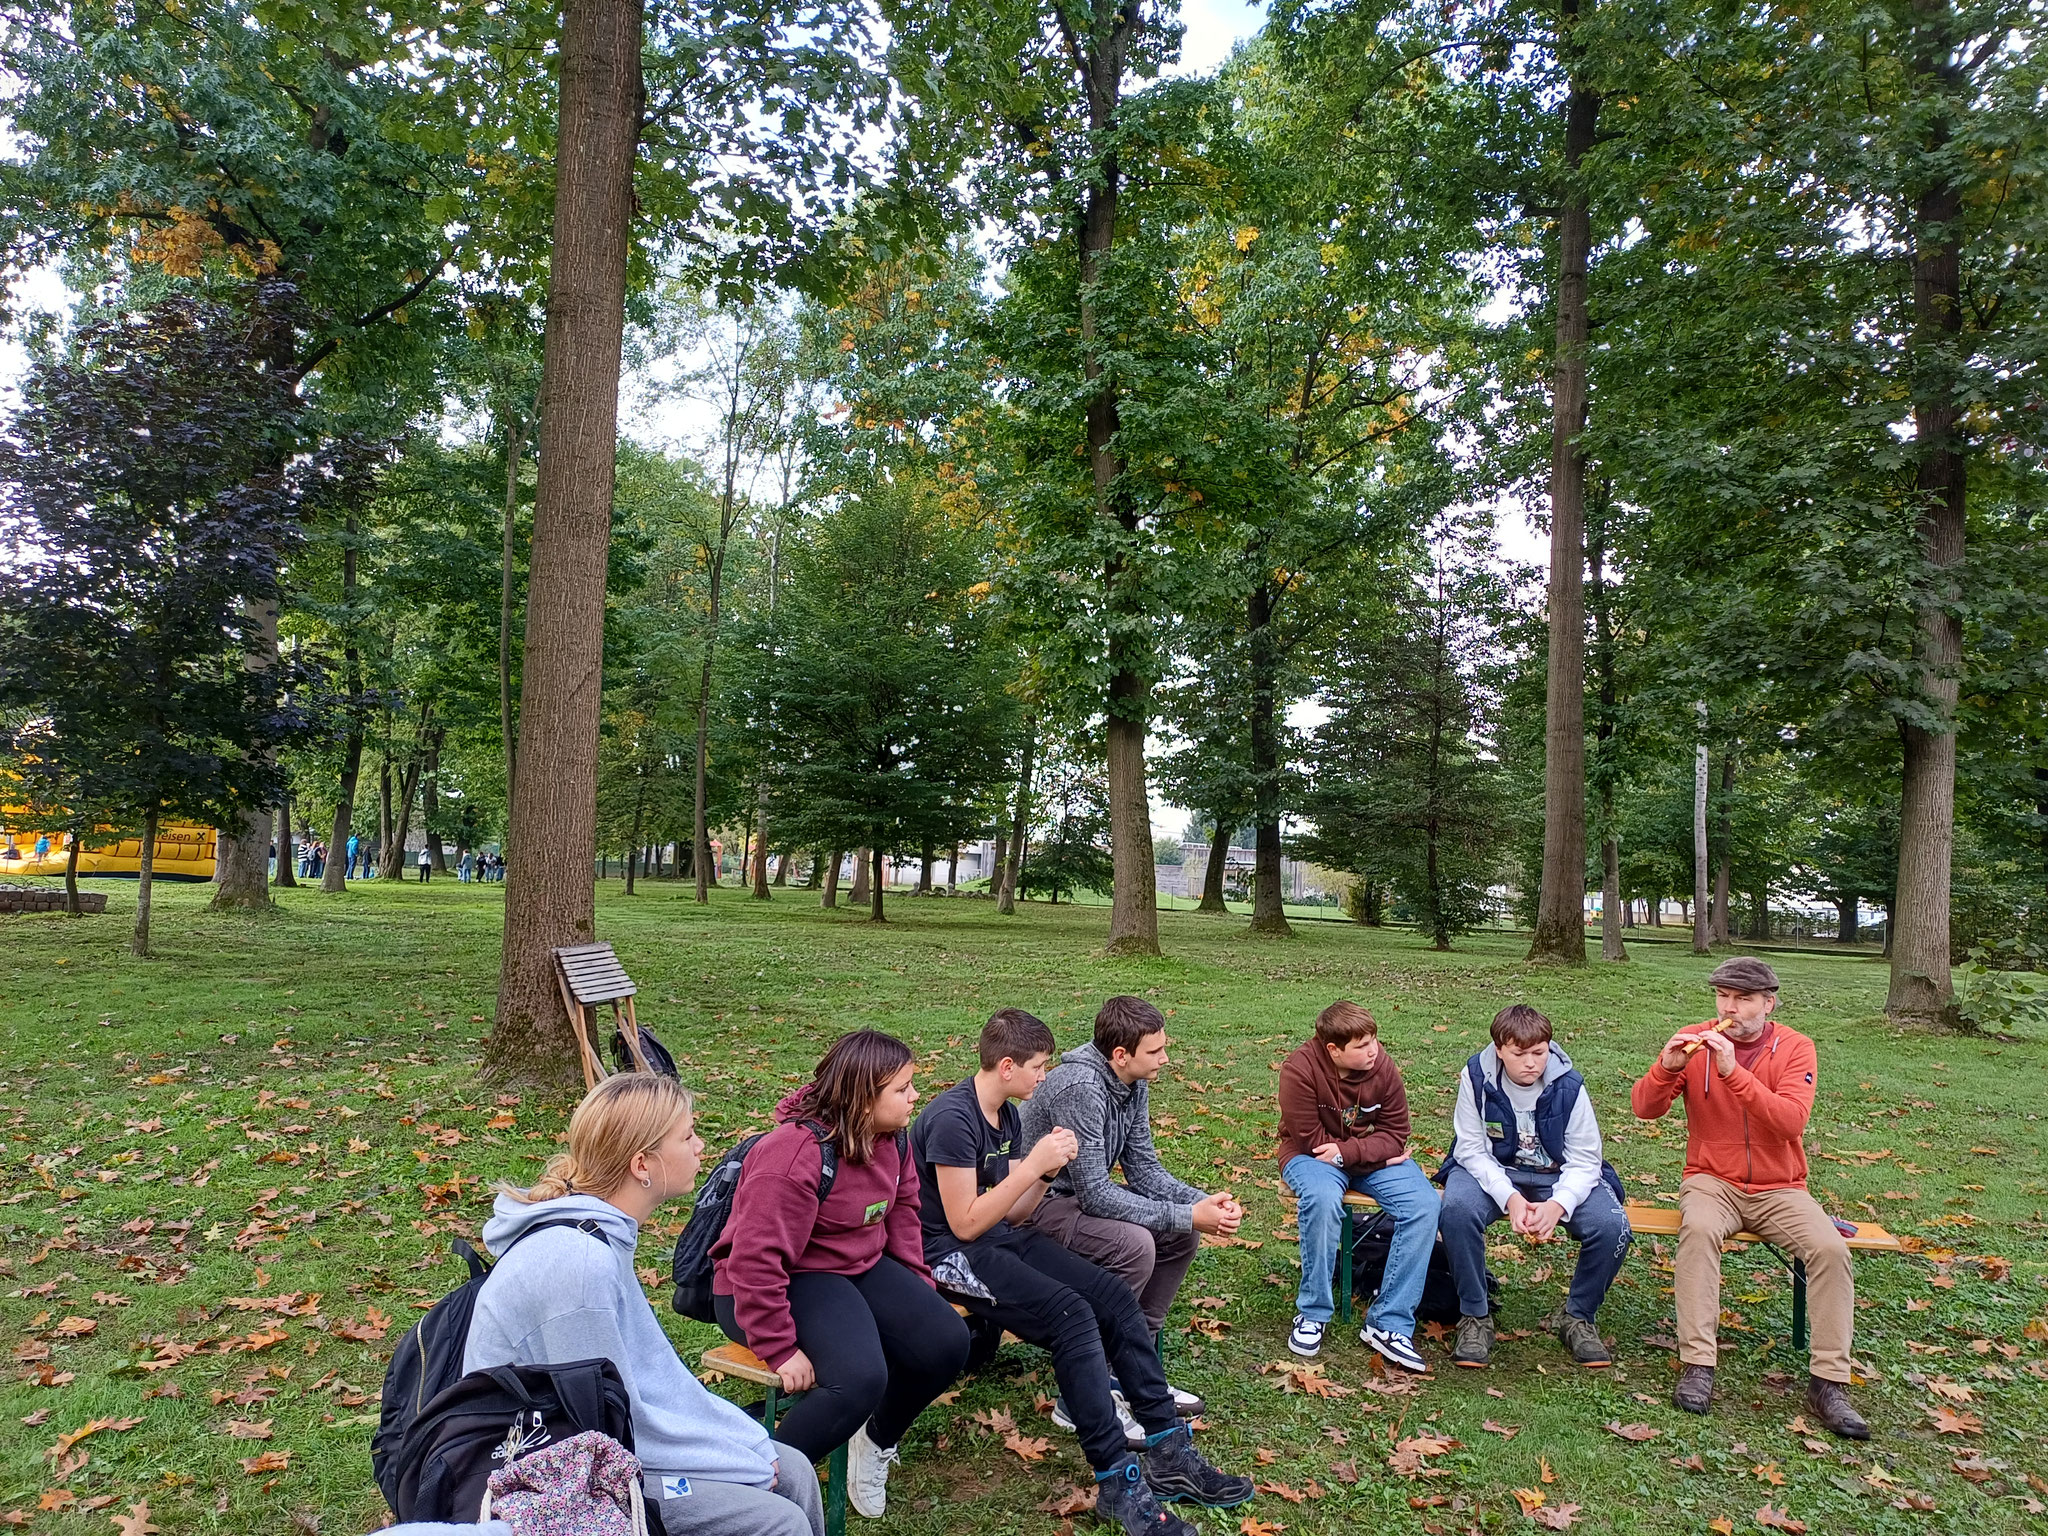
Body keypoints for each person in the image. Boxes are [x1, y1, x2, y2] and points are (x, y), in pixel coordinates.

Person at [911, 1009, 1253, 1536]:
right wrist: (1033, 1165)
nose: (1045, 1076)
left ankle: (1169, 1450)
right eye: (1039, 1067)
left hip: (1000, 1236)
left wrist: (1043, 1173)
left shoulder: (1008, 1116)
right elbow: (964, 1224)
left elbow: (1015, 1215)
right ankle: (1118, 1481)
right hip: (948, 1253)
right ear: (1008, 1067)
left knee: (1114, 1297)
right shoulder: (953, 1118)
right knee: (1073, 1315)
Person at [465, 1073, 826, 1536]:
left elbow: (656, 1378)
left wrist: (747, 1443)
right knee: (778, 1520)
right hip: (548, 1470)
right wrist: (737, 1464)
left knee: (793, 1469)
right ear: (642, 1164)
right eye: (687, 1136)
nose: (700, 1146)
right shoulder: (578, 1265)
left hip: (601, 1443)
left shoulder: (602, 1234)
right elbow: (605, 1431)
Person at [713, 1031, 967, 1518]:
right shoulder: (793, 1154)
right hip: (771, 1284)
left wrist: (916, 1292)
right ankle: (758, 1493)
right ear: (863, 1098)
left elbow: (903, 1213)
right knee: (858, 1378)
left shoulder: (892, 1139)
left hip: (852, 1267)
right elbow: (754, 1259)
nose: (915, 1096)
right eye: (902, 1088)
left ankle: (875, 1439)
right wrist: (779, 1346)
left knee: (945, 1341)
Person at [1632, 957, 1868, 1438]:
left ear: (1768, 1004)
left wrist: (1733, 1072)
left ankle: (1829, 1383)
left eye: (1742, 999)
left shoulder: (1796, 1048)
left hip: (1781, 1187)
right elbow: (1644, 1109)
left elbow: (1789, 1123)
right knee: (1698, 1230)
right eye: (1723, 996)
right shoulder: (1695, 1038)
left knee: (1829, 1249)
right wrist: (1665, 1068)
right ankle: (1698, 1364)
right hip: (1711, 1179)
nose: (1730, 1008)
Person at [1018, 995, 1234, 1419]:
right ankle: (1083, 1396)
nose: (1165, 1059)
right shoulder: (1081, 1088)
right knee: (1134, 1245)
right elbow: (1096, 1194)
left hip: (1079, 1197)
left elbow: (1144, 1169)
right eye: (1155, 1051)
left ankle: (1134, 1371)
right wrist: (1188, 1214)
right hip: (1037, 1203)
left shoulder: (1134, 1082)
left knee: (1180, 1235)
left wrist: (1200, 1203)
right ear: (1121, 1055)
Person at [1440, 1004, 1632, 1369]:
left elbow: (1586, 1159)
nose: (1531, 1063)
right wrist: (1509, 1197)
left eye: (1539, 1053)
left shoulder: (1569, 1085)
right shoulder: (1476, 1076)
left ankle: (1578, 1316)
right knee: (1457, 1210)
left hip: (1557, 1175)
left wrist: (1559, 1204)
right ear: (1499, 1049)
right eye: (1519, 1054)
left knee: (1612, 1226)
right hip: (1492, 1169)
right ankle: (1475, 1315)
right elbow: (1470, 1149)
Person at [1277, 1000, 1439, 1373]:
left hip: (1365, 1156)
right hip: (1311, 1157)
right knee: (1321, 1197)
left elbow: (1396, 1133)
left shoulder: (1382, 1066)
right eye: (1362, 1045)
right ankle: (1313, 1311)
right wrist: (1375, 1156)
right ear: (1333, 1050)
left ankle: (1389, 1322)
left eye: (1374, 1041)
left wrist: (1355, 1154)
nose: (1374, 1051)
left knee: (1424, 1204)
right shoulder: (1299, 1070)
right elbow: (1311, 1142)